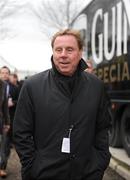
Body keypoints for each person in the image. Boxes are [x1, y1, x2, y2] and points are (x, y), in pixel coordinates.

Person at [13, 29, 111, 180]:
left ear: (80, 53)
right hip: (44, 174)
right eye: (58, 49)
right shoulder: (32, 86)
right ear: (53, 52)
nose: (63, 54)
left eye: (69, 49)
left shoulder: (96, 86)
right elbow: (21, 132)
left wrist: (100, 162)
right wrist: (32, 166)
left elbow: (103, 127)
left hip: (87, 173)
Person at [0, 79, 10, 177]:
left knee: (2, 146)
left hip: (0, 120)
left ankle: (1, 167)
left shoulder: (3, 85)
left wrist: (7, 122)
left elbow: (5, 105)